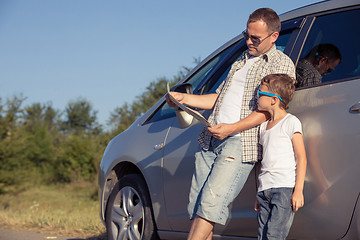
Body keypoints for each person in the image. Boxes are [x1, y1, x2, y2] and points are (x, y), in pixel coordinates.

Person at [166, 8, 296, 240]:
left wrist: (232, 128)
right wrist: (185, 99)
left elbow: (269, 111)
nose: (248, 41)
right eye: (246, 35)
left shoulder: (281, 64)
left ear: (274, 36)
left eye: (255, 38)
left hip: (238, 142)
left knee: (210, 206)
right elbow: (220, 97)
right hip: (211, 140)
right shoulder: (241, 61)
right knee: (198, 208)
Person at [254, 74, 307, 239]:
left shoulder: (291, 122)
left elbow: (302, 157)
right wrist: (259, 191)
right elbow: (264, 161)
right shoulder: (263, 127)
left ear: (273, 100)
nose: (256, 96)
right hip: (264, 190)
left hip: (283, 188)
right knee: (262, 235)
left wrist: (298, 190)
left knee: (274, 235)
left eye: (259, 93)